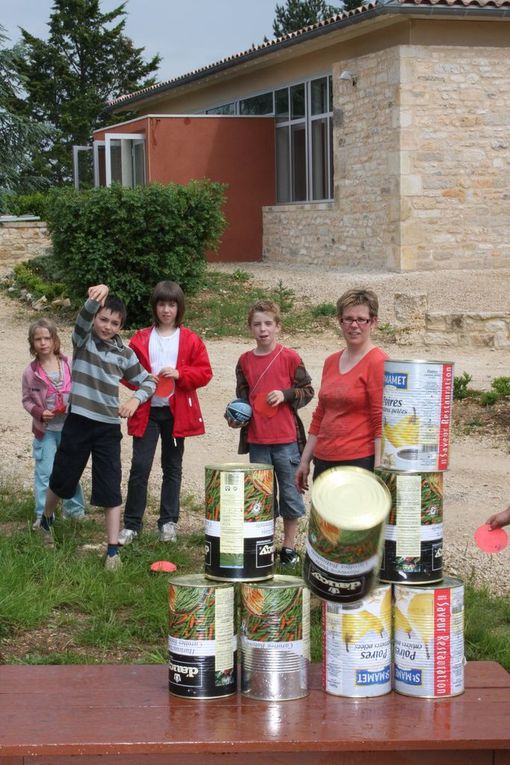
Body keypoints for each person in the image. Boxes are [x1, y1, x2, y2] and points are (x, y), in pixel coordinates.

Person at [37, 284, 156, 570]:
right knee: (62, 479)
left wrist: (134, 400)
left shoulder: (125, 354)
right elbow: (82, 318)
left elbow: (150, 381)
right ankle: (45, 520)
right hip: (78, 422)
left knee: (110, 487)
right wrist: (96, 297)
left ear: (121, 326)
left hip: (107, 429)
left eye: (115, 323)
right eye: (103, 319)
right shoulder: (83, 340)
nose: (107, 326)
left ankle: (113, 550)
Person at [119, 280, 212, 545]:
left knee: (172, 467)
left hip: (176, 414)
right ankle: (131, 524)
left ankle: (168, 522)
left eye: (171, 304)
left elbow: (205, 373)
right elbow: (126, 372)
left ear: (179, 307)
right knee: (140, 467)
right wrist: (142, 379)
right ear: (155, 307)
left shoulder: (190, 339)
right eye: (162, 304)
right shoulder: (141, 338)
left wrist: (181, 374)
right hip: (146, 413)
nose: (166, 310)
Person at [228, 299, 314, 566]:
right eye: (257, 324)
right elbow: (242, 402)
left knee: (290, 493)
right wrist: (235, 418)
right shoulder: (244, 362)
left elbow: (308, 391)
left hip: (287, 440)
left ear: (278, 326)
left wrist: (286, 394)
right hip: (257, 441)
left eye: (268, 323)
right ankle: (264, 544)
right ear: (250, 328)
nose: (263, 329)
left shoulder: (290, 358)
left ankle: (288, 547)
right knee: (261, 496)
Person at [295, 288, 387, 493]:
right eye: (348, 319)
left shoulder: (378, 362)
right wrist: (304, 461)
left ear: (373, 322)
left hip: (358, 461)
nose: (354, 325)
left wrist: (379, 470)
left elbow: (380, 419)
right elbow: (320, 414)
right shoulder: (331, 361)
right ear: (340, 321)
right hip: (324, 459)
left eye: (361, 319)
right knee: (324, 526)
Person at [22, 318, 85, 530]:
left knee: (70, 469)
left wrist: (74, 405)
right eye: (38, 339)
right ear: (32, 343)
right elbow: (27, 400)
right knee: (46, 471)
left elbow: (79, 389)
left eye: (47, 338)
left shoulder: (68, 364)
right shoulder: (31, 373)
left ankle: (74, 510)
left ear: (54, 340)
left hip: (69, 428)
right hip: (46, 431)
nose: (43, 343)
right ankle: (42, 515)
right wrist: (39, 412)